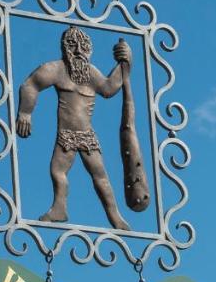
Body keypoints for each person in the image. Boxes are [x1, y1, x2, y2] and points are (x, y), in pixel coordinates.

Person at [16, 26, 131, 230]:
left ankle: (116, 218)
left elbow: (109, 88)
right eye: (72, 45)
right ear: (64, 47)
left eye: (83, 46)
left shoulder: (91, 73)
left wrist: (124, 62)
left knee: (100, 175)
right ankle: (59, 208)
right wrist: (25, 112)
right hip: (66, 135)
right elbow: (31, 85)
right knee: (58, 171)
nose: (78, 50)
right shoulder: (57, 69)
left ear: (89, 49)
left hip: (87, 135)